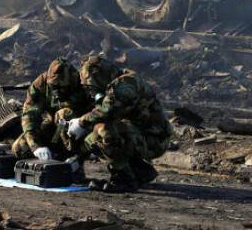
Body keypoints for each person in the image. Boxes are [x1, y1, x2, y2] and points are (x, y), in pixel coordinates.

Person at [66, 56, 174, 193]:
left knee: (104, 131)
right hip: (139, 135)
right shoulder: (116, 83)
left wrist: (81, 122)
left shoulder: (127, 82)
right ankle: (140, 171)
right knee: (91, 140)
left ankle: (124, 180)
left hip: (154, 139)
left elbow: (108, 111)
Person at [11, 57, 92, 182]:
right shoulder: (41, 84)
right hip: (52, 128)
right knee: (19, 147)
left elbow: (99, 115)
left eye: (62, 88)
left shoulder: (85, 84)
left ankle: (74, 166)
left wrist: (80, 156)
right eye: (54, 87)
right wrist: (36, 146)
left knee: (64, 114)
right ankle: (47, 165)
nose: (57, 92)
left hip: (78, 132)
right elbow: (30, 115)